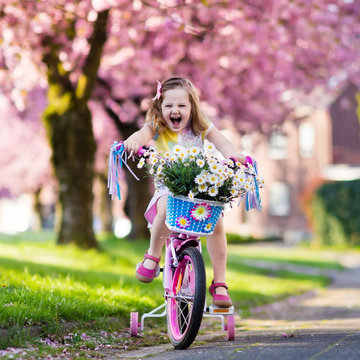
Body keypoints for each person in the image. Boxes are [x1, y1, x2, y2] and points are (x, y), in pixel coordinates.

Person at [123, 76, 245, 308]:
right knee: (167, 208)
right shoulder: (157, 127)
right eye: (169, 106)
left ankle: (219, 283)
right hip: (168, 189)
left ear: (192, 107)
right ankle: (152, 256)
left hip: (197, 193)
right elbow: (141, 135)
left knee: (216, 224)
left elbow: (222, 141)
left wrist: (233, 155)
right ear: (160, 108)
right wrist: (132, 141)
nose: (175, 110)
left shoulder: (200, 128)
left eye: (181, 105)